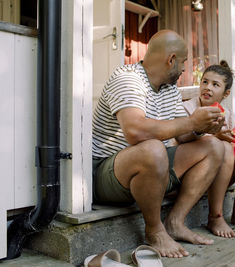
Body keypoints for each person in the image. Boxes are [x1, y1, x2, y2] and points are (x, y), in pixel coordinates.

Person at [92, 30, 226, 258]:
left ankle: (175, 221)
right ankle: (154, 229)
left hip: (152, 165)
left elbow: (182, 134)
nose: (184, 69)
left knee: (213, 146)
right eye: (183, 62)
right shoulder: (127, 78)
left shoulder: (169, 88)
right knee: (153, 148)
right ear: (171, 59)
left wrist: (202, 128)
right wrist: (191, 120)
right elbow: (136, 132)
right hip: (107, 173)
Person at [182, 60, 235, 238]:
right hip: (195, 171)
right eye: (205, 82)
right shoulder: (187, 109)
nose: (208, 87)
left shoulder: (228, 114)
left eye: (215, 84)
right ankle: (215, 216)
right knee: (224, 146)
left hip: (222, 173)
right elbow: (182, 143)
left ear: (225, 94)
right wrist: (215, 137)